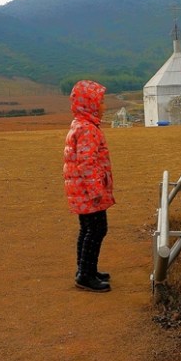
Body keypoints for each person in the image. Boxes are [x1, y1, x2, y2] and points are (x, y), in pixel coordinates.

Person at [63, 80, 115, 292]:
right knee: (97, 229)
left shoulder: (80, 125)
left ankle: (86, 270)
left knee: (87, 229)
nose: (104, 106)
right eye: (101, 102)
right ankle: (85, 275)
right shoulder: (88, 130)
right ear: (90, 104)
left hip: (81, 190)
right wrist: (97, 192)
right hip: (89, 192)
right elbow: (87, 162)